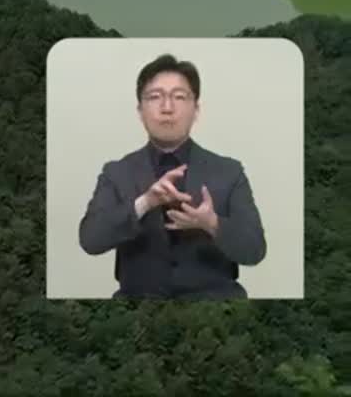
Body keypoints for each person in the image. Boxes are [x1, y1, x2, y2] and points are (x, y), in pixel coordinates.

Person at [77, 53, 267, 298]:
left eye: (179, 97)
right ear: (140, 110)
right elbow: (90, 240)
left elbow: (255, 250)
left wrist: (211, 223)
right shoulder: (116, 172)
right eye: (155, 97)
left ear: (196, 109)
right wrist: (144, 204)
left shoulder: (229, 171)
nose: (167, 108)